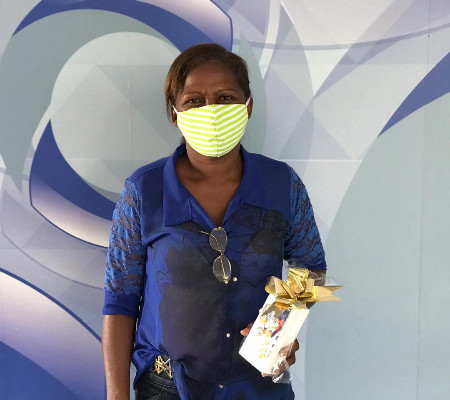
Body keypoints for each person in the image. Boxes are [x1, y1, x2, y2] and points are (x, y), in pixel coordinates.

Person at [102, 43, 327, 400]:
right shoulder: (143, 191)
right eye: (194, 100)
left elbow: (311, 266)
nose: (211, 111)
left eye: (225, 98)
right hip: (166, 387)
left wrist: (280, 326)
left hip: (257, 385)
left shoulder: (282, 184)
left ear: (247, 106)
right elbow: (120, 301)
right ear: (175, 114)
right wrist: (117, 396)